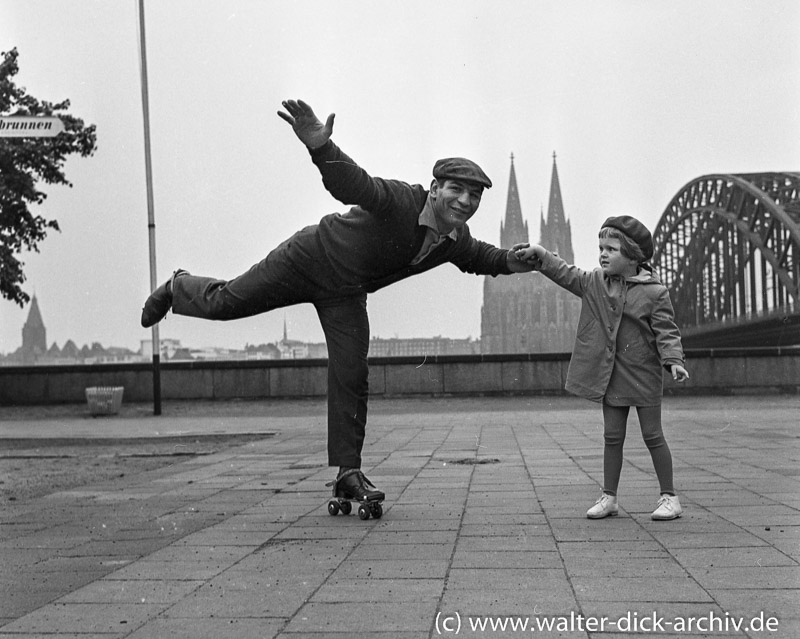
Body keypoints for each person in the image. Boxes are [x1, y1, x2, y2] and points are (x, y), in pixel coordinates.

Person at [141, 98, 534, 507]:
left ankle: (348, 473)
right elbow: (356, 184)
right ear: (434, 189)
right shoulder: (402, 200)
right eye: (457, 190)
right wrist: (320, 147)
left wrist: (515, 261)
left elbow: (484, 259)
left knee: (352, 373)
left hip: (345, 293)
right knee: (227, 303)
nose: (465, 202)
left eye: (474, 196)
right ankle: (177, 286)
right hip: (310, 257)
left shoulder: (455, 240)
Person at [515, 215, 689, 520]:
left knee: (653, 435)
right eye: (601, 248)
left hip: (644, 375)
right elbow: (568, 274)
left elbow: (667, 332)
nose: (603, 254)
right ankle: (609, 497)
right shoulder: (596, 282)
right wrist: (542, 255)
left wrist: (673, 361)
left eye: (611, 249)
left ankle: (669, 497)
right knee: (612, 436)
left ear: (633, 255)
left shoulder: (655, 292)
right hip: (611, 376)